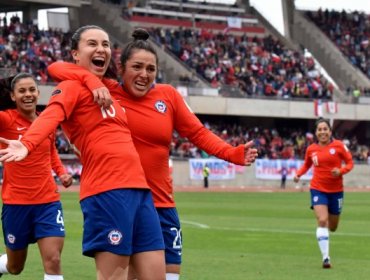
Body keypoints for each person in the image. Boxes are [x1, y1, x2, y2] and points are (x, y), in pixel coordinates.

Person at [46, 28, 258, 280]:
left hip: (161, 204)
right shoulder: (107, 90)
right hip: (119, 200)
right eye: (136, 67)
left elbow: (198, 134)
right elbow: (58, 68)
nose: (144, 75)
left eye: (150, 69)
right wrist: (92, 81)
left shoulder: (168, 96)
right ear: (121, 68)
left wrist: (232, 153)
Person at [0, 25, 166, 280]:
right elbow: (52, 111)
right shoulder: (70, 87)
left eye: (106, 44)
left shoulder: (111, 89)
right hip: (107, 190)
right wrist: (28, 142)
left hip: (141, 192)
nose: (101, 49)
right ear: (75, 55)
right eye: (92, 44)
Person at [0, 73, 73, 280]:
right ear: (13, 96)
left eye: (32, 90)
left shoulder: (46, 122)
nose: (28, 94)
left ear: (39, 93)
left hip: (47, 202)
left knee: (54, 260)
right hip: (16, 204)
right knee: (15, 267)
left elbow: (51, 153)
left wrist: (63, 173)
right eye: (21, 91)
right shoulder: (5, 119)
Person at [293, 117, 353, 269]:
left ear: (330, 131)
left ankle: (325, 234)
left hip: (336, 191)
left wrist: (341, 171)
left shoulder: (339, 146)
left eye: (325, 129)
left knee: (332, 227)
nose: (322, 132)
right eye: (319, 130)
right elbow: (307, 164)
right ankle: (326, 258)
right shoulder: (311, 149)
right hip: (318, 188)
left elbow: (350, 163)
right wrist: (298, 174)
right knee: (322, 220)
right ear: (316, 132)